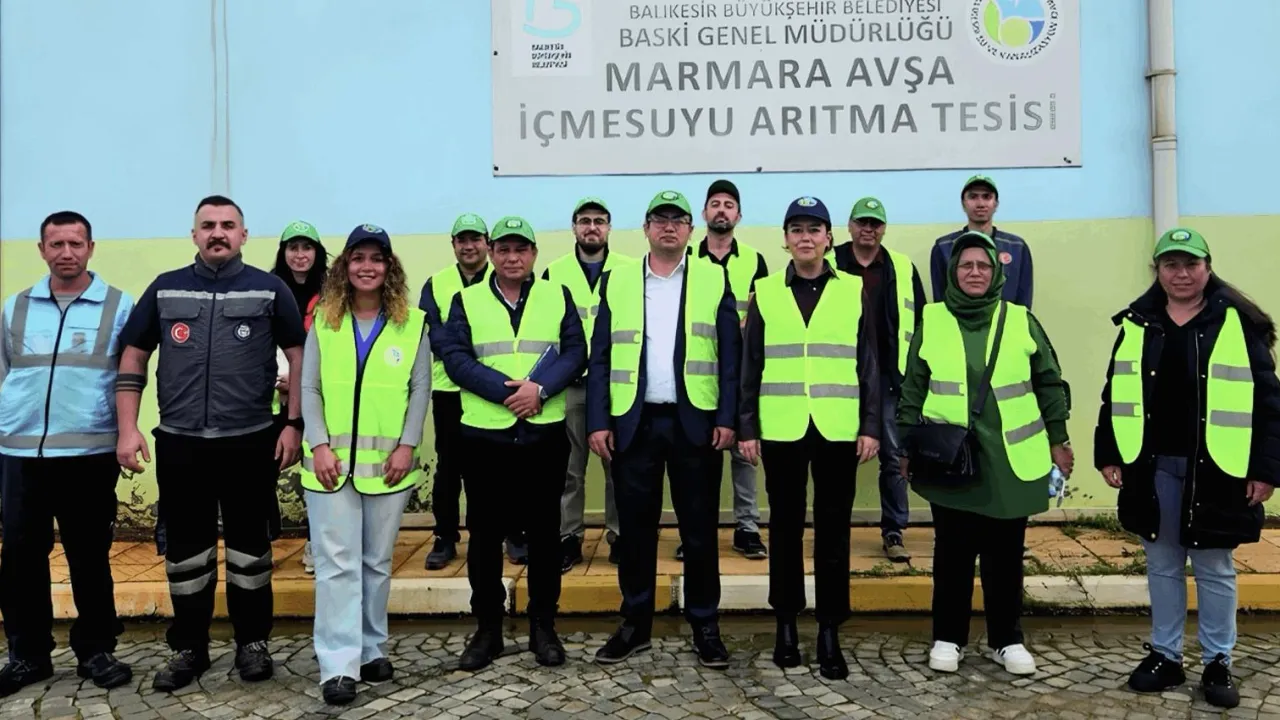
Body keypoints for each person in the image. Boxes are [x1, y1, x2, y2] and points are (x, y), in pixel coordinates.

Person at [114, 195, 307, 691]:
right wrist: (128, 428)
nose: (217, 232)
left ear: (244, 235)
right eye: (208, 225)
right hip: (181, 445)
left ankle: (253, 643)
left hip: (250, 443)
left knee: (250, 552)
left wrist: (293, 423)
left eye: (227, 225)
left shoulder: (270, 289)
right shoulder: (165, 288)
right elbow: (134, 354)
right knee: (185, 555)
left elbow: (299, 356)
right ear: (194, 234)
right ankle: (189, 649)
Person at [1094, 228, 1280, 710]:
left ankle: (1218, 661)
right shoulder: (1138, 323)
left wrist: (1265, 469)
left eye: (1190, 264)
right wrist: (1109, 453)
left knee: (1215, 566)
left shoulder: (1236, 323)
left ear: (1207, 267)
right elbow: (1115, 392)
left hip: (1219, 468)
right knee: (1162, 564)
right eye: (1171, 264)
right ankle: (1166, 655)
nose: (1181, 273)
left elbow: (1268, 401)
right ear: (1157, 271)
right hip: (1153, 467)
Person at [898, 231, 1071, 677]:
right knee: (952, 554)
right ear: (952, 273)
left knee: (1005, 555)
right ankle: (948, 637)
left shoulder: (1021, 319)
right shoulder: (933, 318)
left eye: (983, 266)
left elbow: (1049, 382)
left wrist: (1059, 439)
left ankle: (1007, 640)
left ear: (996, 274)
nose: (974, 272)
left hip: (1011, 459)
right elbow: (913, 386)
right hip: (951, 460)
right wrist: (905, 445)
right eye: (966, 265)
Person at [588, 190, 741, 668]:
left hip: (695, 423)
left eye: (678, 219)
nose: (669, 227)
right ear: (646, 228)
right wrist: (598, 421)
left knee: (699, 532)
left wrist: (727, 418)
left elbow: (730, 356)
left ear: (690, 230)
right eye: (660, 219)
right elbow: (600, 356)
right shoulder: (617, 280)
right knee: (635, 533)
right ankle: (635, 624)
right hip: (634, 424)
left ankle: (705, 625)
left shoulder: (713, 278)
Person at [738, 197, 881, 680]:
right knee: (784, 529)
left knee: (834, 532)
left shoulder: (853, 289)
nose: (805, 237)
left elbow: (868, 362)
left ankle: (829, 630)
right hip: (782, 428)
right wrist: (747, 426)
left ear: (828, 238)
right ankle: (785, 624)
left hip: (838, 428)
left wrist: (870, 425)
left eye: (814, 229)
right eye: (796, 229)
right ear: (785, 239)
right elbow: (751, 364)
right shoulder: (765, 291)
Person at [439, 216, 586, 671]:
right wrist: (510, 393)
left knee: (544, 534)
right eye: (503, 249)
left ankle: (544, 627)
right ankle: (488, 630)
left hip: (544, 436)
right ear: (491, 253)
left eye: (521, 249)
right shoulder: (465, 300)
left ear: (534, 254)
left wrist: (539, 390)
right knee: (484, 537)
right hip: (485, 437)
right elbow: (456, 359)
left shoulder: (557, 295)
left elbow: (576, 352)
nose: (512, 257)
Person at [0, 212, 135, 696]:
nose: (66, 253)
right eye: (56, 244)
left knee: (89, 556)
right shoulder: (15, 307)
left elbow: (129, 377)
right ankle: (27, 655)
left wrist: (126, 434)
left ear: (91, 248)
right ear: (41, 250)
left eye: (75, 243)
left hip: (88, 454)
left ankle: (96, 650)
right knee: (20, 558)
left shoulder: (119, 306)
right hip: (21, 454)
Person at [298, 224, 431, 705]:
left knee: (376, 563)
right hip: (329, 467)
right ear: (345, 266)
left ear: (389, 266)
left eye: (376, 258)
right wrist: (318, 444)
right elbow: (308, 387)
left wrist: (407, 445)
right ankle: (338, 665)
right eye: (358, 258)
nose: (367, 267)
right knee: (337, 565)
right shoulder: (325, 321)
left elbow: (420, 388)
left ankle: (372, 649)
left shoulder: (412, 324)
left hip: (389, 467)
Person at [419, 214, 525, 569]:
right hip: (449, 390)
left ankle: (514, 533)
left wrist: (475, 367)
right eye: (461, 240)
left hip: (497, 389)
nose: (469, 246)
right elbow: (432, 331)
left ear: (487, 244)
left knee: (507, 465)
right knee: (449, 466)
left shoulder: (507, 278)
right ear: (453, 245)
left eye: (475, 239)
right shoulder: (436, 284)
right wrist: (461, 360)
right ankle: (445, 537)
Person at [830, 197, 927, 561]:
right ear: (850, 226)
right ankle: (833, 531)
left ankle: (894, 531)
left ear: (884, 229)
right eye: (862, 222)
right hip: (840, 377)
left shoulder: (901, 267)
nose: (868, 229)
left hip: (889, 378)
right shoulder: (830, 261)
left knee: (894, 457)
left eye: (875, 223)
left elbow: (920, 325)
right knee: (835, 458)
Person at [679, 179, 768, 561]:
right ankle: (696, 531)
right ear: (704, 213)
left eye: (729, 205)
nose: (721, 210)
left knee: (744, 451)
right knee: (699, 458)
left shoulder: (754, 260)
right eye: (715, 203)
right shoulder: (686, 258)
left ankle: (747, 528)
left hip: (744, 370)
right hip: (700, 372)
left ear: (739, 215)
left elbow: (762, 311)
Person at [544, 197, 631, 572]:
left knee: (619, 466)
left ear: (609, 227)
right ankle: (569, 537)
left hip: (616, 384)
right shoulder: (554, 272)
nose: (591, 227)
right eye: (584, 220)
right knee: (570, 469)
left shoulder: (629, 269)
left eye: (599, 221)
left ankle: (620, 536)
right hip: (572, 385)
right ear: (574, 227)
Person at [270, 219, 328, 570]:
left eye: (307, 247)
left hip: (321, 398)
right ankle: (261, 542)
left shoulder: (335, 292)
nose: (300, 254)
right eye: (293, 247)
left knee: (318, 472)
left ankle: (315, 543)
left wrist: (303, 382)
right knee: (261, 471)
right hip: (273, 399)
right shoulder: (267, 288)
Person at [929, 175, 1033, 308]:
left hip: (1005, 320)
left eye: (987, 197)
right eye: (973, 197)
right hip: (957, 320)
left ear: (996, 204)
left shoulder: (1017, 247)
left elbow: (1024, 301)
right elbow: (940, 301)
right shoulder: (944, 247)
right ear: (963, 204)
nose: (980, 204)